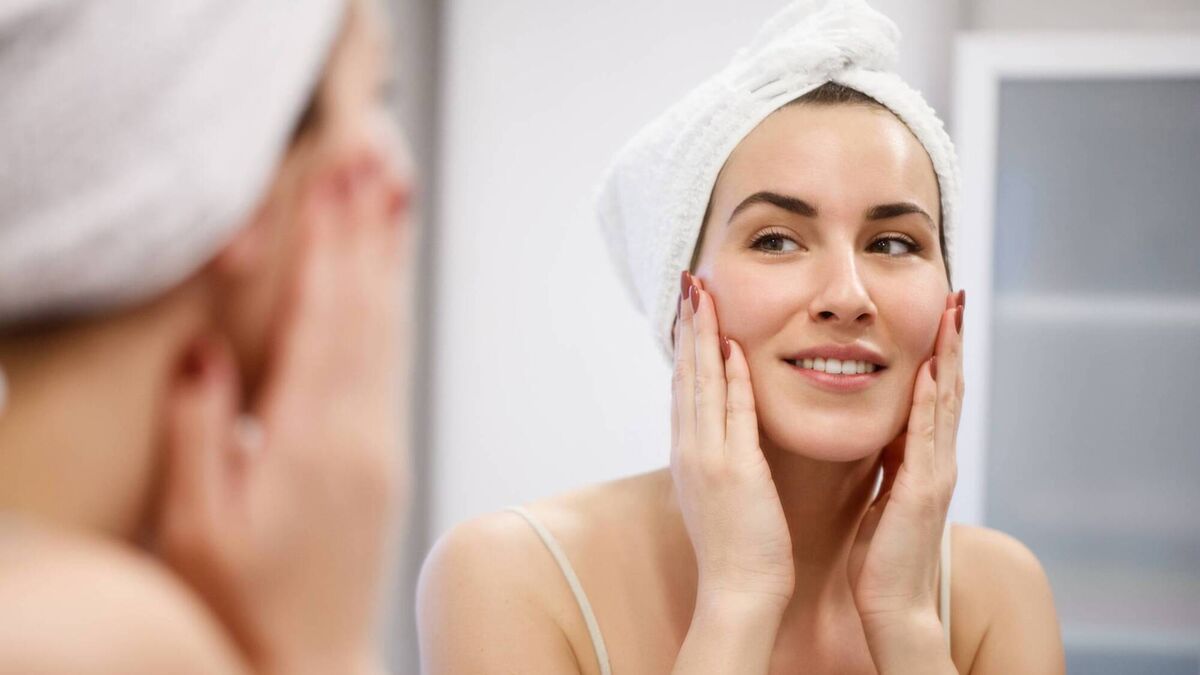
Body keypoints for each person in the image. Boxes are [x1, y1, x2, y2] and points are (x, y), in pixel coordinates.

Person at [417, 1, 1065, 673]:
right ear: (683, 300)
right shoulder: (508, 577)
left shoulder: (1000, 594)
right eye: (777, 239)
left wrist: (905, 621)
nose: (848, 295)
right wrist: (737, 598)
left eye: (894, 242)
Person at [0, 1, 413, 673]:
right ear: (241, 190)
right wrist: (324, 650)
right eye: (372, 98)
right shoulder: (111, 640)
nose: (395, 177)